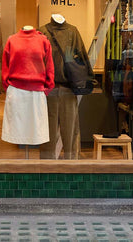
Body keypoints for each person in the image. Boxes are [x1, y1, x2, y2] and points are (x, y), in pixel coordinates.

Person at [40, 14, 93, 159]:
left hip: (56, 89)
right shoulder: (47, 32)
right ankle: (66, 164)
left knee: (54, 132)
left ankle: (52, 165)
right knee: (66, 133)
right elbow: (82, 59)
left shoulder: (44, 31)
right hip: (57, 89)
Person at [0, 26, 55, 145]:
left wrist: (47, 88)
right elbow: (5, 66)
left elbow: (49, 66)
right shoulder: (12, 40)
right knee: (17, 129)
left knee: (35, 129)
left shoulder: (43, 40)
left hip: (36, 93)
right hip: (16, 91)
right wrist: (8, 87)